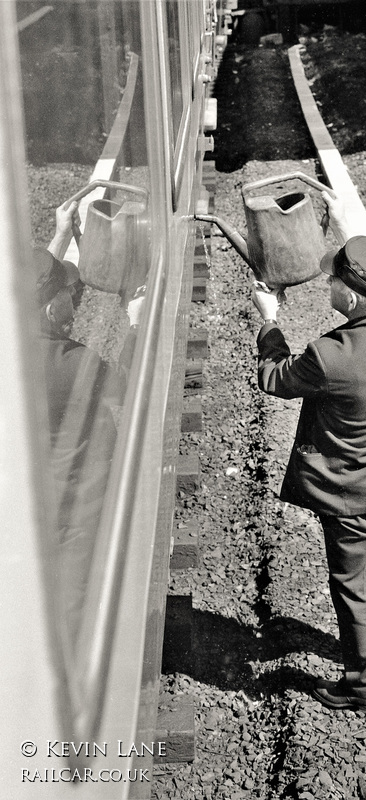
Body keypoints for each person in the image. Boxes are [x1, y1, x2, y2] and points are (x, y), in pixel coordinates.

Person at [251, 187, 366, 715]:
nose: (328, 282)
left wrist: (269, 321)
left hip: (355, 495)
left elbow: (273, 377)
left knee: (353, 587)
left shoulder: (331, 357)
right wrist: (342, 229)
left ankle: (363, 687)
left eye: (334, 278)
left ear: (351, 299)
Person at [35, 198, 145, 645]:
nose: (74, 303)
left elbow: (28, 286)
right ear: (48, 309)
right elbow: (126, 383)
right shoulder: (69, 365)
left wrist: (60, 235)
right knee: (73, 588)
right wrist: (134, 321)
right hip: (68, 504)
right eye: (68, 296)